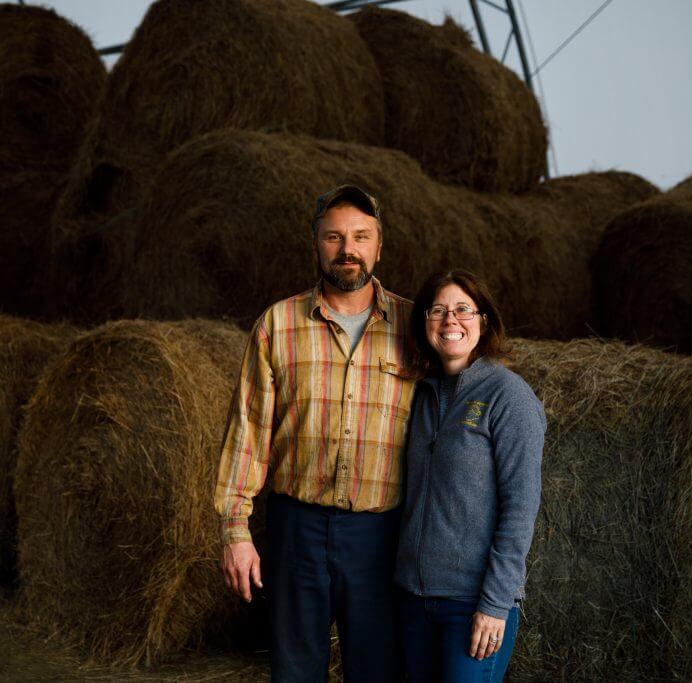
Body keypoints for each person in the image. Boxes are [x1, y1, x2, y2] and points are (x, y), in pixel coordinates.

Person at [214, 185, 415, 682]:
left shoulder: (417, 326)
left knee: (377, 672)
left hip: (382, 535)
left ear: (378, 245)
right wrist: (235, 529)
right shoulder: (277, 324)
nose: (348, 249)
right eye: (334, 237)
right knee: (295, 671)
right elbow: (249, 428)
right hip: (296, 530)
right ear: (317, 244)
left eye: (360, 237)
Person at [395, 269, 545, 682]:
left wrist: (495, 605)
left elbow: (520, 509)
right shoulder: (421, 395)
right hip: (413, 600)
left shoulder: (508, 396)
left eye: (463, 309)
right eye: (438, 310)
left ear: (484, 320)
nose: (450, 320)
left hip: (472, 605)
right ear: (424, 322)